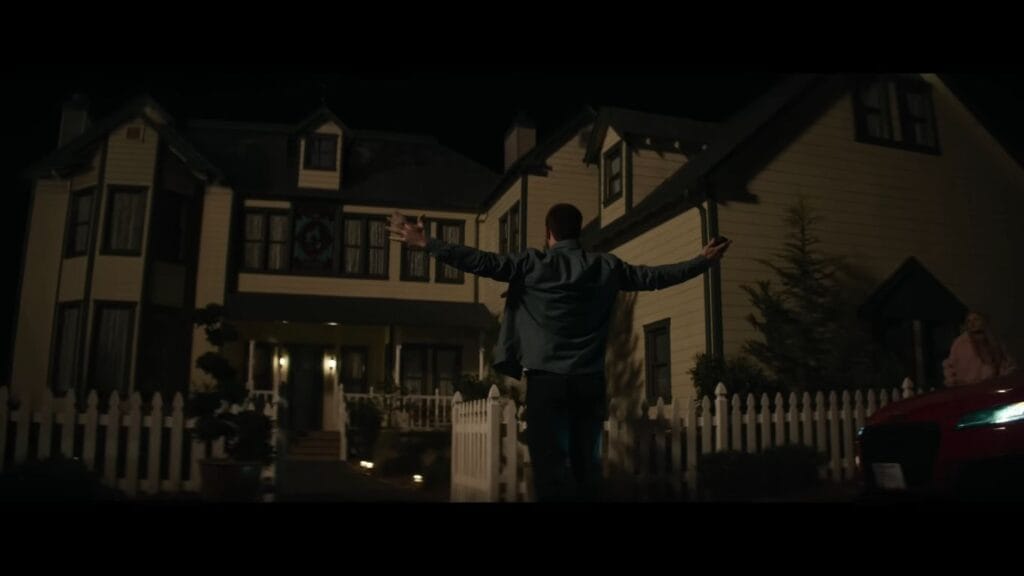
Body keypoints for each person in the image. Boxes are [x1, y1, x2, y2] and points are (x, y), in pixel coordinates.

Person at [387, 204, 731, 501]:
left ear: (548, 232)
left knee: (551, 472)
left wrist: (426, 242)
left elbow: (480, 262)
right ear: (577, 231)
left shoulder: (532, 265)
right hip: (588, 383)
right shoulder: (606, 267)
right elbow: (654, 277)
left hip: (546, 385)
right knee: (587, 470)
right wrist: (701, 261)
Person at [943, 311, 1016, 387]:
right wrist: (952, 382)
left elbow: (1006, 364)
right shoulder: (960, 344)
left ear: (984, 321)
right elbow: (950, 366)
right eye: (969, 321)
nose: (972, 324)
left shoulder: (995, 341)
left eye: (976, 319)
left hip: (991, 387)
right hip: (967, 389)